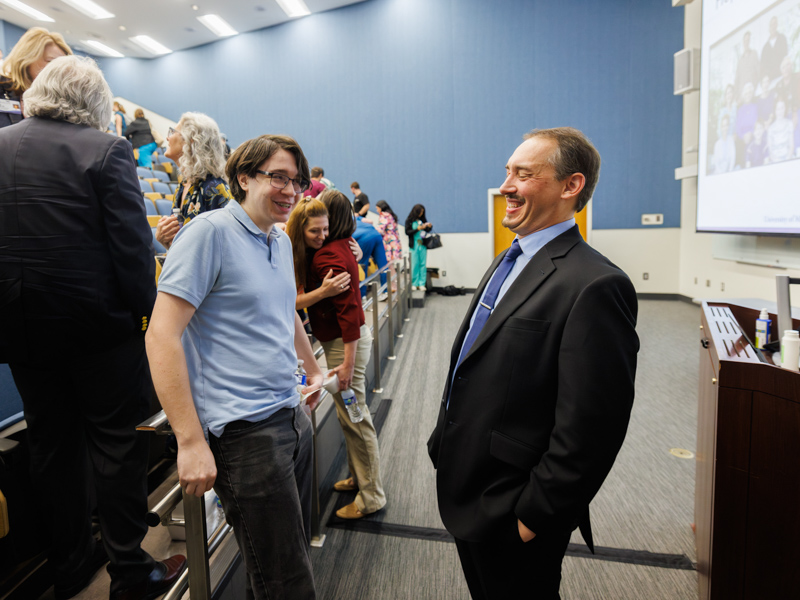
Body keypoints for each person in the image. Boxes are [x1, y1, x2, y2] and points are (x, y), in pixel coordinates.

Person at [0, 55, 186, 600]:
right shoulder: (107, 149)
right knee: (116, 447)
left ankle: (70, 565)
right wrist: (149, 321)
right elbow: (132, 254)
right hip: (99, 332)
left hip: (21, 334)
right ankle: (131, 571)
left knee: (51, 449)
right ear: (94, 104)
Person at [427, 127, 638, 600]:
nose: (506, 185)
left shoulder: (596, 285)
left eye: (524, 174)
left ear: (571, 186)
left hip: (515, 506)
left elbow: (592, 427)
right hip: (468, 483)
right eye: (508, 172)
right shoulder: (510, 258)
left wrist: (533, 517)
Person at [146, 134, 321, 600]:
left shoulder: (278, 240)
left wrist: (312, 369)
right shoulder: (209, 233)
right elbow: (161, 335)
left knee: (279, 562)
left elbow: (285, 314)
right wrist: (189, 440)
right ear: (243, 177)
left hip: (290, 416)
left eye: (297, 181)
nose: (290, 190)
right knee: (287, 581)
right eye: (278, 177)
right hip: (244, 434)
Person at [302, 189, 387, 520]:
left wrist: (347, 363)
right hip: (345, 342)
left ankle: (372, 496)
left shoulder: (328, 256)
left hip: (344, 346)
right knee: (348, 416)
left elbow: (350, 311)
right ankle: (360, 477)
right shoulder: (340, 248)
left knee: (356, 419)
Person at [155, 112, 233, 250]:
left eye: (172, 132)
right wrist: (165, 240)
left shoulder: (215, 188)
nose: (167, 137)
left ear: (190, 141)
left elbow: (227, 246)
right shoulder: (184, 184)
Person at [0, 27, 71, 129]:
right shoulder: (2, 88)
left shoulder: (62, 105)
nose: (59, 70)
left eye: (63, 65)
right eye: (51, 62)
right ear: (27, 60)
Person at [353, 214, 389, 294]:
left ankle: (363, 294)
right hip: (375, 234)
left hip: (363, 238)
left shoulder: (342, 220)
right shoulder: (355, 217)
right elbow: (370, 221)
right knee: (383, 265)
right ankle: (386, 291)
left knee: (362, 266)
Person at [375, 200, 402, 292]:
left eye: (377, 208)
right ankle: (395, 284)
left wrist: (371, 229)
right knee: (391, 265)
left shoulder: (384, 215)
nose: (376, 210)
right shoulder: (391, 215)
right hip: (394, 241)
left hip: (388, 242)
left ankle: (394, 286)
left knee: (389, 265)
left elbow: (380, 230)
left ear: (380, 207)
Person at [404, 204, 432, 290]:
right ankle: (414, 283)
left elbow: (426, 231)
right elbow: (407, 232)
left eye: (423, 212)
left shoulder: (422, 220)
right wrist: (418, 229)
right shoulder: (409, 220)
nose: (421, 213)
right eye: (420, 212)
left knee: (423, 264)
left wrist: (428, 227)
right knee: (414, 264)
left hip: (422, 245)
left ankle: (421, 283)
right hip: (414, 245)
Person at [760, 16, 788, 83]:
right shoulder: (765, 48)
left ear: (777, 25)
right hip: (771, 81)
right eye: (771, 24)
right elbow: (763, 66)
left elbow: (785, 56)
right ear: (769, 27)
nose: (773, 26)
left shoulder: (782, 38)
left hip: (783, 76)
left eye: (775, 24)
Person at [767, 98, 794, 163]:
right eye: (778, 109)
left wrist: (787, 160)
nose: (780, 111)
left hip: (788, 159)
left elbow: (791, 146)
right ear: (775, 110)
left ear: (785, 108)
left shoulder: (789, 124)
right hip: (775, 161)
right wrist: (777, 162)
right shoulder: (771, 129)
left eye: (782, 108)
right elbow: (770, 151)